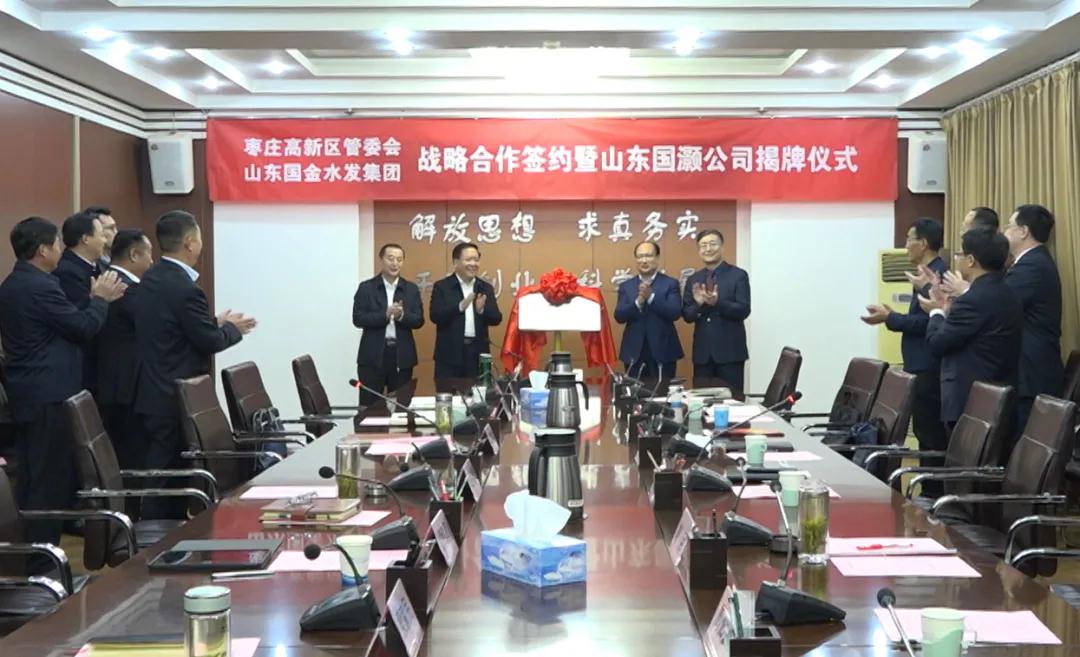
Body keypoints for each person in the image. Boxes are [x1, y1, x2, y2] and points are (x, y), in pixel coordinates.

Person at [0, 217, 125, 544]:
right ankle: (42, 556)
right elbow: (82, 328)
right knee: (47, 478)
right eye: (57, 243)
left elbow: (66, 322)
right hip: (48, 394)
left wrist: (93, 302)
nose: (61, 248)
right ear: (43, 250)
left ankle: (31, 551)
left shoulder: (16, 283)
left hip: (31, 391)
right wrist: (100, 299)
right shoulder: (40, 287)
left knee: (34, 475)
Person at [134, 211, 255, 518]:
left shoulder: (152, 277)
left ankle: (165, 531)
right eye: (199, 238)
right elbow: (208, 342)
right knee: (169, 474)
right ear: (189, 242)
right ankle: (158, 535)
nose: (201, 244)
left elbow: (172, 329)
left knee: (166, 471)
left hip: (154, 388)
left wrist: (214, 322)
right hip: (175, 393)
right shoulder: (185, 288)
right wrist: (232, 330)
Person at [862, 218, 949, 492]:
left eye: (909, 238)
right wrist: (893, 316)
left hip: (928, 366)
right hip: (920, 364)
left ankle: (932, 496)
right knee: (924, 433)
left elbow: (929, 322)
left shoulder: (938, 276)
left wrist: (891, 318)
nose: (905, 245)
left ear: (923, 243)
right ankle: (929, 493)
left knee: (930, 435)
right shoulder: (927, 272)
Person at [921, 228, 1021, 437]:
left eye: (959, 254)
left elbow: (937, 344)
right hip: (998, 398)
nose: (957, 259)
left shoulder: (973, 300)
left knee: (964, 458)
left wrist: (937, 311)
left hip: (970, 402)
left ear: (971, 260)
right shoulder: (1009, 292)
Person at [1002, 204, 1063, 448]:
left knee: (1024, 452)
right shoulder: (1032, 261)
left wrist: (966, 291)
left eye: (1009, 226)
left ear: (1023, 231)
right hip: (1030, 369)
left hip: (1031, 372)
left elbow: (1000, 304)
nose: (1005, 232)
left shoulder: (1032, 266)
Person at [97, 229, 154, 471]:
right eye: (149, 253)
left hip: (122, 384)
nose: (152, 260)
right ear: (134, 254)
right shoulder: (121, 285)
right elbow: (150, 324)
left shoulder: (113, 280)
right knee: (130, 455)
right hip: (123, 387)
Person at [352, 243, 424, 402]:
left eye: (399, 259)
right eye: (390, 258)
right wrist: (385, 315)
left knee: (401, 405)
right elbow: (358, 318)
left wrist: (401, 316)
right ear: (381, 260)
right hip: (372, 356)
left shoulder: (410, 289)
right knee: (370, 406)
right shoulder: (366, 288)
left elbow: (419, 320)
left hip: (401, 356)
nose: (395, 263)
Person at [681, 229, 750, 393]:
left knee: (732, 400)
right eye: (703, 245)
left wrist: (717, 303)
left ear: (722, 247)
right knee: (700, 401)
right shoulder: (694, 279)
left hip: (730, 354)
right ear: (699, 250)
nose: (708, 249)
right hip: (702, 355)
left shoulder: (738, 275)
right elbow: (687, 315)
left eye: (713, 244)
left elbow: (743, 310)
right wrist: (700, 304)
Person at [430, 242, 502, 380]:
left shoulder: (485, 287)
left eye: (476, 260)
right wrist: (459, 307)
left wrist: (481, 311)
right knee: (447, 392)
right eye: (468, 260)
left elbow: (497, 318)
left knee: (479, 393)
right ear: (456, 262)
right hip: (449, 355)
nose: (473, 264)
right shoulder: (442, 287)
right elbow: (435, 316)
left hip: (478, 354)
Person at [614, 240, 683, 379]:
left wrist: (651, 297)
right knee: (635, 391)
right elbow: (619, 316)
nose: (644, 260)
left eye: (648, 256)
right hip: (634, 352)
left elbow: (675, 312)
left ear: (657, 258)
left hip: (664, 350)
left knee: (662, 391)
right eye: (640, 256)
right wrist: (638, 302)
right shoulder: (626, 286)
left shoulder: (670, 283)